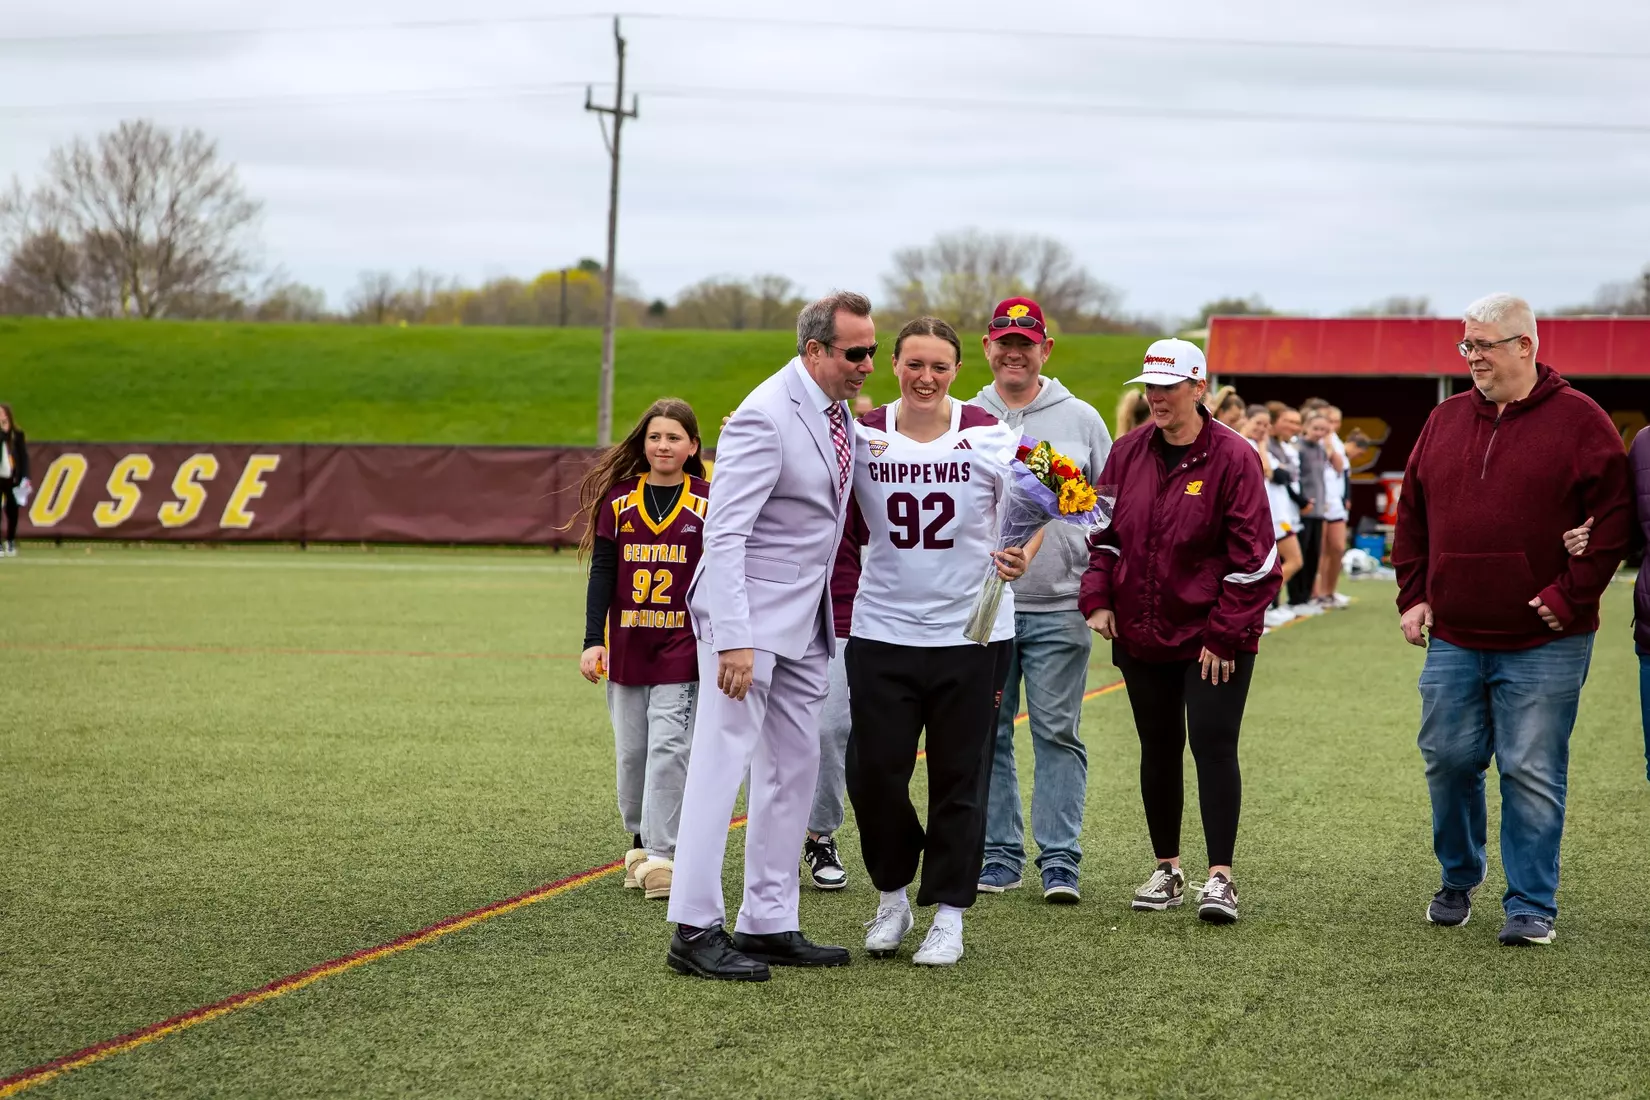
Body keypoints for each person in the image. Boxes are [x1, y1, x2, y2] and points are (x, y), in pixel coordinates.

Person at [1394, 293, 1630, 947]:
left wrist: (1570, 596)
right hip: (1455, 635)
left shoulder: (1582, 421)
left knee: (1530, 767)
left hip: (1546, 640)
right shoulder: (1442, 421)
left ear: (1524, 346)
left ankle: (1530, 902)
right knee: (1447, 758)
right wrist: (1412, 594)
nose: (1471, 358)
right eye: (1465, 347)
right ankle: (1459, 876)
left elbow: (1612, 521)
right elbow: (1411, 514)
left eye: (1483, 346)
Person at [665, 291, 873, 981]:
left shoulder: (838, 412)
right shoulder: (763, 415)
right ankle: (693, 928)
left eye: (871, 351)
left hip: (807, 624)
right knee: (721, 766)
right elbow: (723, 533)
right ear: (814, 352)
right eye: (856, 353)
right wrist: (732, 638)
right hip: (747, 628)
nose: (868, 364)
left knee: (794, 768)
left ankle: (768, 920)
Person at [846, 317, 1032, 965]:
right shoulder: (862, 434)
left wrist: (1021, 551)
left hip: (972, 635)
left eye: (940, 367)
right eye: (914, 364)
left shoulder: (988, 435)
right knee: (873, 774)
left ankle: (949, 912)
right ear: (893, 364)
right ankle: (892, 895)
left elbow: (1050, 499)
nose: (926, 378)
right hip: (881, 629)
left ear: (958, 371)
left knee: (961, 776)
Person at [1079, 340, 1281, 923]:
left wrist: (1223, 633)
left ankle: (1222, 878)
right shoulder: (1125, 452)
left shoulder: (1234, 455)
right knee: (1158, 748)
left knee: (1213, 744)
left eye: (1169, 386)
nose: (1157, 397)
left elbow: (1257, 559)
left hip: (1213, 636)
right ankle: (1166, 867)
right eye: (1150, 386)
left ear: (1199, 387)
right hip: (1141, 632)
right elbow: (1104, 535)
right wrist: (1097, 596)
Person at [972, 297, 1114, 902]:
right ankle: (999, 854)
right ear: (987, 347)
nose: (1014, 351)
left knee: (1058, 731)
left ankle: (1060, 861)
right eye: (1004, 340)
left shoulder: (1080, 419)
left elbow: (1106, 511)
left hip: (1058, 603)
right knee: (988, 733)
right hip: (979, 607)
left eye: (1025, 342)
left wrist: (1100, 587)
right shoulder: (963, 416)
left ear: (1045, 350)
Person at [575, 399, 709, 901]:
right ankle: (639, 839)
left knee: (669, 749)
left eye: (674, 437)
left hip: (681, 647)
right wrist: (593, 640)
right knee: (632, 754)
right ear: (643, 443)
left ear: (692, 446)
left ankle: (663, 854)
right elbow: (603, 574)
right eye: (655, 437)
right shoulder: (619, 501)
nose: (663, 446)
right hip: (628, 645)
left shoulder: (707, 501)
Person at [1251, 406, 1304, 629]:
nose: (1263, 429)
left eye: (1265, 425)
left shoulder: (1267, 447)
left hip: (1278, 513)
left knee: (1281, 563)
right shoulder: (1250, 444)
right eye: (1258, 424)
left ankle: (1265, 607)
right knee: (1294, 561)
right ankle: (1259, 607)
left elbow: (1282, 474)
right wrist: (1263, 445)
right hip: (1269, 514)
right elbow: (1271, 472)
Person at [1312, 406, 1351, 608]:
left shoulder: (1335, 441)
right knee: (1319, 550)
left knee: (1337, 547)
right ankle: (1315, 594)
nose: (1333, 425)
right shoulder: (1309, 440)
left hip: (1335, 502)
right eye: (1330, 420)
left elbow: (1340, 468)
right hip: (1318, 501)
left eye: (1337, 421)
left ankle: (1329, 591)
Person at [0, 404, 28, 557]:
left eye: (2, 413)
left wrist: (25, 476)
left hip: (12, 476)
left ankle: (10, 540)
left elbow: (24, 457)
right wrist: (3, 433)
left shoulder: (17, 434)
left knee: (12, 510)